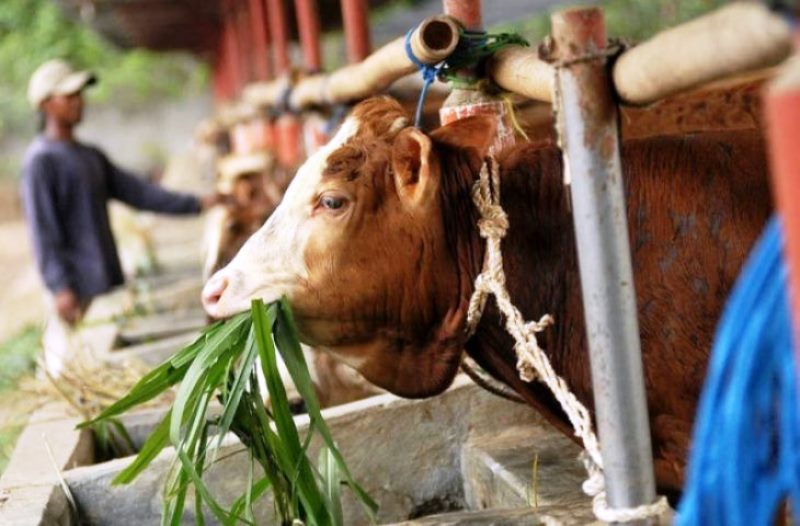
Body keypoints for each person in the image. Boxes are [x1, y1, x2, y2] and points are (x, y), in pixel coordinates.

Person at [20, 59, 220, 376]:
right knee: (68, 367)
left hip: (100, 283)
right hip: (73, 291)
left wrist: (198, 202)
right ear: (45, 104)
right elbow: (43, 231)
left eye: (79, 95)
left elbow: (139, 193)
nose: (79, 102)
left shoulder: (89, 156)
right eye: (68, 96)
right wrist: (60, 288)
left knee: (97, 365)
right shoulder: (40, 162)